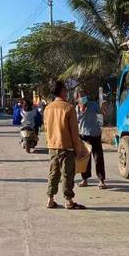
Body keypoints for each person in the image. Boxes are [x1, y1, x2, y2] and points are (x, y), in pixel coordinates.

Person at [44, 81, 86, 210]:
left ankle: (50, 199)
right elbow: (74, 132)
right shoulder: (69, 108)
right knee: (67, 174)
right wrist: (79, 150)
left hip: (52, 146)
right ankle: (69, 201)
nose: (67, 93)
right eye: (66, 90)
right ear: (62, 91)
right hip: (66, 147)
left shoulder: (48, 108)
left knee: (53, 173)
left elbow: (46, 127)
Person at [76, 93, 107, 189]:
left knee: (98, 158)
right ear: (77, 99)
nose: (83, 98)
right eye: (80, 97)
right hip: (83, 136)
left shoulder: (93, 105)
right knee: (85, 160)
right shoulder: (76, 108)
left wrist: (103, 107)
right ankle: (84, 179)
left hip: (95, 134)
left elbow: (102, 112)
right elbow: (76, 121)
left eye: (83, 96)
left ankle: (101, 180)